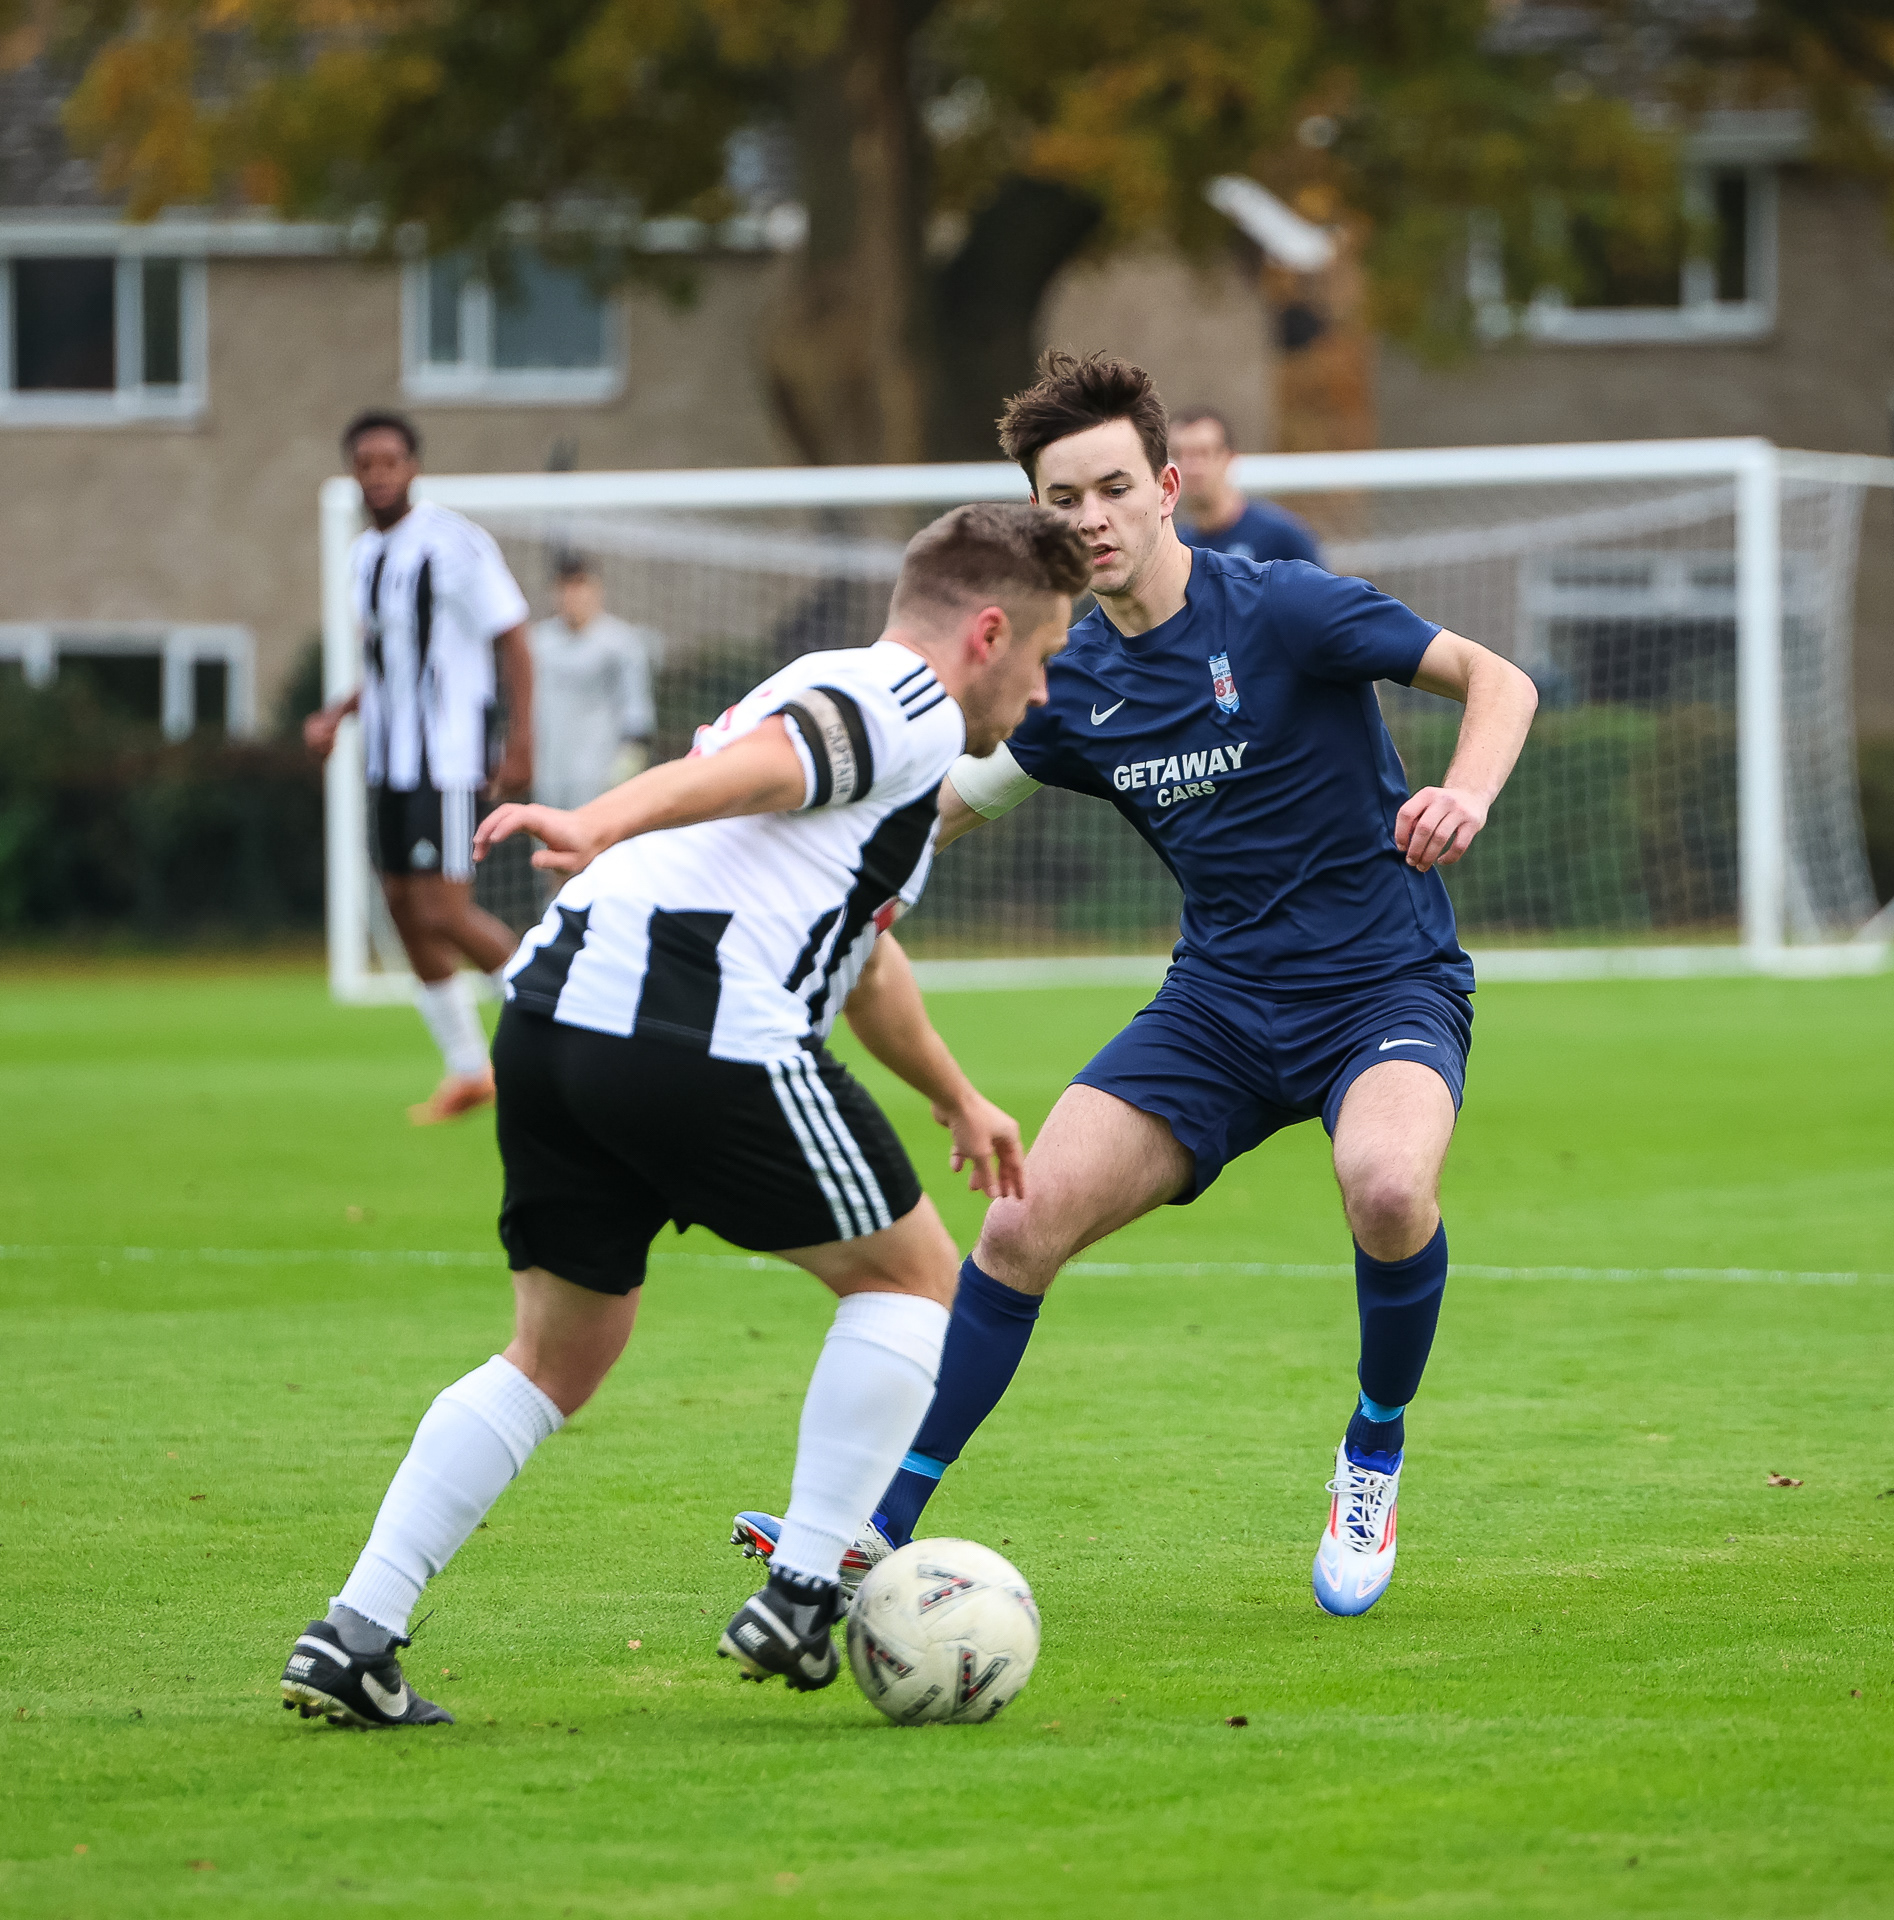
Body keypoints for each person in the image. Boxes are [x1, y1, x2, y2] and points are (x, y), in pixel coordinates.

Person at [737, 352, 1537, 1619]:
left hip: (1383, 986)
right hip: (1216, 1010)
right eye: (1064, 500)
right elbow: (945, 803)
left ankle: (1372, 1452)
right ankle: (875, 1525)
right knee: (1017, 1226)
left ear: (1168, 489)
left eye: (1115, 488)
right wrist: (785, 853)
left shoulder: (1285, 607)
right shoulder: (1068, 684)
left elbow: (1501, 678)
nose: (1093, 519)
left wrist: (1466, 792)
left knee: (1388, 1189)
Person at [276, 502, 1090, 1726]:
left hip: (551, 1018)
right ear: (986, 634)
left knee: (559, 1354)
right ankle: (801, 1598)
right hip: (692, 1023)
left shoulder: (858, 716)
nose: (1039, 692)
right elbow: (763, 764)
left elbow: (865, 962)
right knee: (915, 1278)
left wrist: (956, 1096)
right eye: (1042, 656)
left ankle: (354, 1634)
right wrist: (600, 818)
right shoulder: (907, 701)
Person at [304, 410, 535, 1125]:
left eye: (390, 461)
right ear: (353, 472)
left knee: (444, 909)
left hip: (450, 759)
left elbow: (513, 637)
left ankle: (563, 1014)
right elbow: (392, 665)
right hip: (389, 762)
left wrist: (521, 739)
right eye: (365, 463)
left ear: (413, 468)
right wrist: (339, 713)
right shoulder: (364, 556)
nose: (378, 474)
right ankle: (469, 1069)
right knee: (404, 909)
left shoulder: (454, 544)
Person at [530, 554, 665, 811]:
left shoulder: (620, 644)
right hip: (548, 771)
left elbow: (637, 713)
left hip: (597, 774)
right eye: (565, 587)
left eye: (580, 586)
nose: (572, 596)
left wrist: (628, 761)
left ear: (596, 590)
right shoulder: (538, 642)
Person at [1169, 405, 1322, 566]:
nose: (1189, 467)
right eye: (1179, 454)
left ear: (1229, 459)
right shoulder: (1178, 546)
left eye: (1202, 453)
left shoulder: (1282, 538)